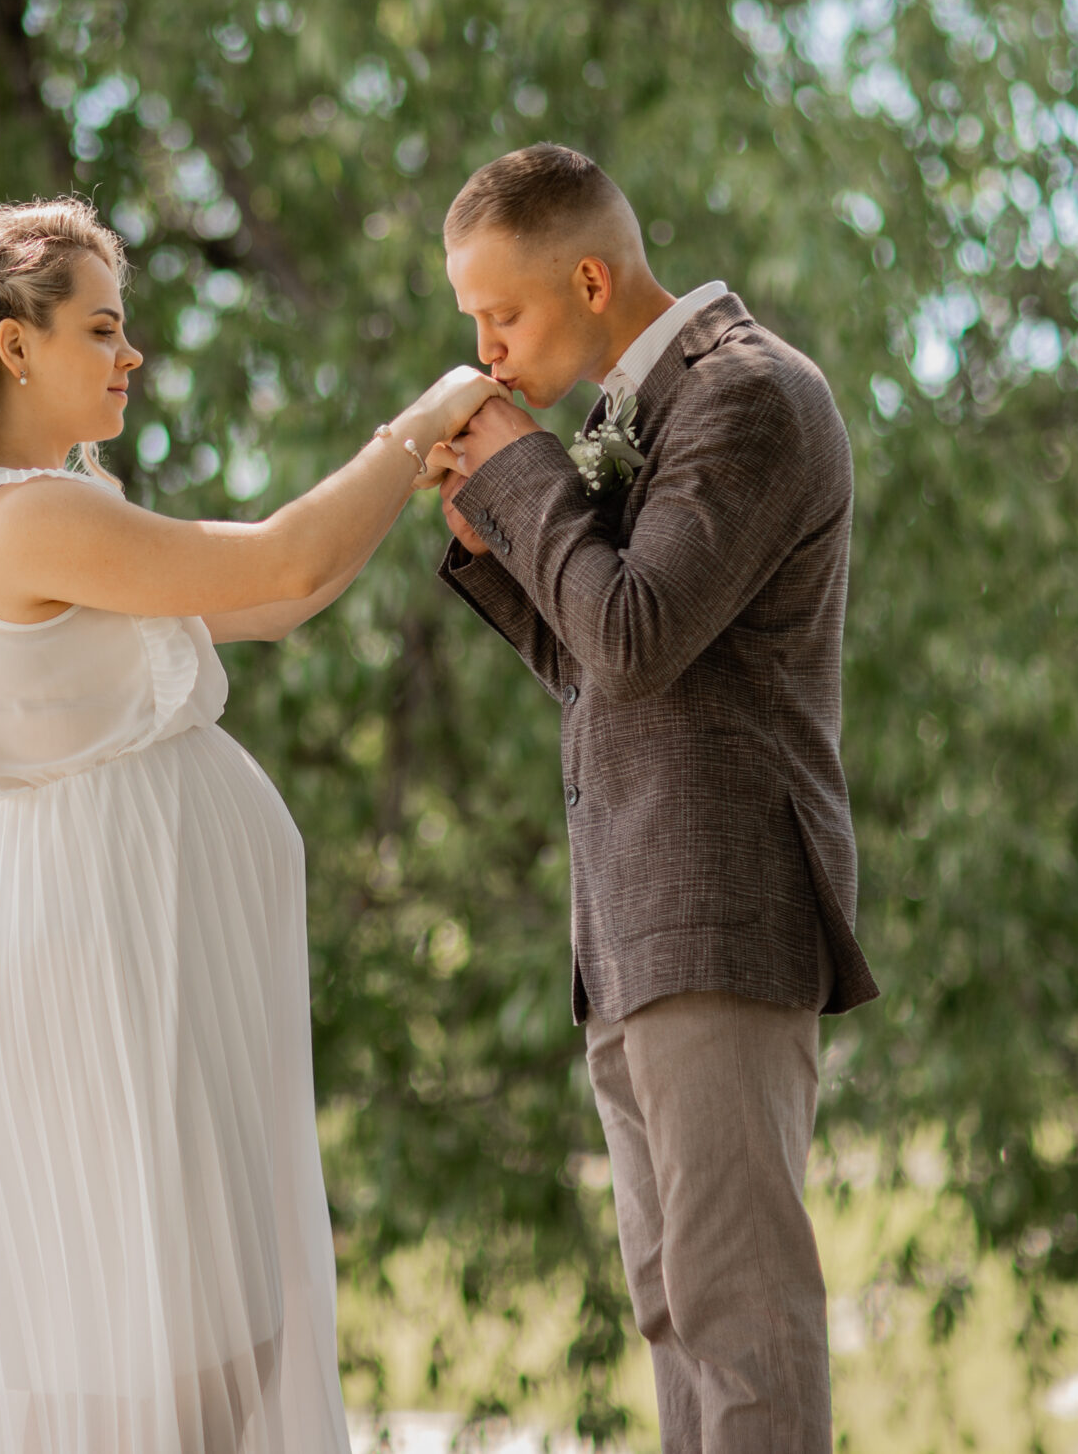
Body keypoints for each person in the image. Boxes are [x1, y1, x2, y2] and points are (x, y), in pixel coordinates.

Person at [0, 195, 499, 1454]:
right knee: (158, 1342)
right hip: (109, 948)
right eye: (101, 327)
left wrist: (423, 471)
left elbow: (272, 598)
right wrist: (423, 421)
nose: (129, 354)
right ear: (15, 347)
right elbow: (281, 566)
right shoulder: (24, 514)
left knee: (196, 1337)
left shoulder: (49, 513)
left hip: (132, 941)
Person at [428, 144, 880, 1454]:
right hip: (630, 931)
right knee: (677, 1312)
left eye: (499, 314)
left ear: (587, 277)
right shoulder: (640, 413)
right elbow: (603, 675)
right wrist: (497, 541)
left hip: (721, 911)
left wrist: (524, 480)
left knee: (741, 1312)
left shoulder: (749, 395)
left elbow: (633, 631)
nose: (486, 348)